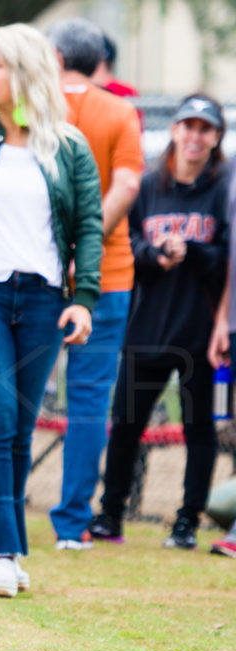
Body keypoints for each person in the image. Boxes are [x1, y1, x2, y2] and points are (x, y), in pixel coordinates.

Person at [0, 24, 102, 598]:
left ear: (25, 71)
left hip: (43, 297)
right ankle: (0, 551)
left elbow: (88, 227)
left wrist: (85, 300)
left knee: (21, 427)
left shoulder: (68, 145)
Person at [91, 94, 229, 549]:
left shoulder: (220, 190)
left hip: (197, 332)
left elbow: (228, 259)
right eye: (187, 125)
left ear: (215, 138)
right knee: (126, 423)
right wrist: (156, 253)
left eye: (204, 128)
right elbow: (124, 244)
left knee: (198, 429)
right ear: (174, 130)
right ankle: (111, 515)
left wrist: (193, 252)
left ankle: (187, 520)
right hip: (146, 328)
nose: (194, 135)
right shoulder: (150, 186)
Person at [46, 18, 143, 551]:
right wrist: (88, 247)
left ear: (55, 58)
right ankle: (70, 524)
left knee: (19, 390)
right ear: (97, 60)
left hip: (38, 269)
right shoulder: (120, 111)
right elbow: (128, 183)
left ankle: (2, 515)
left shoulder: (32, 109)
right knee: (88, 400)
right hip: (109, 273)